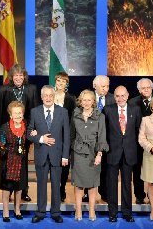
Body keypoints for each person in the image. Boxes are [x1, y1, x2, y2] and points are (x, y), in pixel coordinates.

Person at [27, 85, 70, 224]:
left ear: (54, 96)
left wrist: (65, 156)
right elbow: (29, 133)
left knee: (56, 185)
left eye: (50, 95)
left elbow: (67, 136)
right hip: (41, 154)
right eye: (45, 95)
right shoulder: (34, 111)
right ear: (41, 97)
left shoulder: (62, 112)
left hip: (57, 156)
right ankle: (40, 212)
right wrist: (41, 138)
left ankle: (56, 212)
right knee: (41, 185)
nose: (48, 98)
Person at [0, 64, 39, 202]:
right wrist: (2, 132)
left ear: (24, 77)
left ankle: (23, 191)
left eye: (21, 75)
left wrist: (32, 130)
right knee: (8, 162)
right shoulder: (4, 89)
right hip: (8, 132)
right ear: (12, 77)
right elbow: (2, 112)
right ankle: (8, 191)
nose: (19, 78)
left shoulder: (31, 89)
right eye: (16, 75)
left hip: (24, 131)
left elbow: (34, 111)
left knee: (23, 161)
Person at [103, 86, 141, 223]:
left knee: (126, 184)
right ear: (114, 97)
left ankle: (127, 213)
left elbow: (138, 131)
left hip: (129, 153)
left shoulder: (135, 110)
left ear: (128, 95)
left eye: (123, 95)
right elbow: (104, 132)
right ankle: (112, 213)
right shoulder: (108, 110)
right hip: (112, 153)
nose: (120, 98)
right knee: (111, 185)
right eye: (117, 96)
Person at [70, 90, 108, 221]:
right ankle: (78, 210)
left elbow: (102, 137)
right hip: (78, 154)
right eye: (84, 100)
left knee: (92, 184)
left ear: (93, 101)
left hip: (94, 154)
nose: (86, 102)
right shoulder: (75, 115)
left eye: (89, 100)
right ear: (80, 101)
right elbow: (71, 136)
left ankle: (92, 211)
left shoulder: (100, 116)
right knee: (78, 184)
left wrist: (99, 154)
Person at [0, 101, 28, 222]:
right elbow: (0, 144)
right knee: (6, 188)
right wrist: (4, 150)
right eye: (15, 113)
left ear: (23, 114)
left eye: (20, 113)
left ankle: (17, 210)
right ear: (10, 115)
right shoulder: (5, 127)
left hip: (21, 160)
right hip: (8, 161)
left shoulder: (26, 126)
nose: (18, 116)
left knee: (19, 188)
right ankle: (5, 212)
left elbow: (29, 139)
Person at [128, 78, 153, 204]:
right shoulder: (132, 102)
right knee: (137, 170)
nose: (146, 90)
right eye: (143, 88)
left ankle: (152, 195)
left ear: (152, 88)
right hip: (137, 143)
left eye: (148, 87)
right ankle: (139, 195)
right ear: (139, 90)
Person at [53, 71, 76, 202]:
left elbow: (72, 118)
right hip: (51, 135)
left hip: (65, 135)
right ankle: (55, 188)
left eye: (63, 81)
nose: (60, 83)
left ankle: (62, 188)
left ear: (66, 84)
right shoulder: (49, 95)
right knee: (53, 163)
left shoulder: (71, 98)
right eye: (59, 80)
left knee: (64, 164)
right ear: (55, 82)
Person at [92, 75, 115, 202]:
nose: (105, 89)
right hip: (90, 139)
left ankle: (104, 192)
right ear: (95, 86)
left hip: (107, 140)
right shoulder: (87, 98)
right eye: (103, 86)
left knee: (105, 168)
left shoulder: (113, 99)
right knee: (89, 167)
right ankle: (87, 192)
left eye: (107, 86)